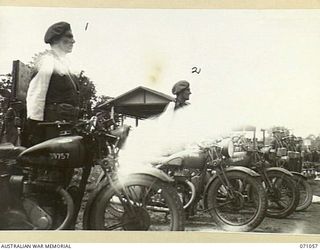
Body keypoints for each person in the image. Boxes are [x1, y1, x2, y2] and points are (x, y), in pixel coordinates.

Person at [25, 21, 80, 146]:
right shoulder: (47, 61)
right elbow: (36, 93)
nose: (73, 41)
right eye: (69, 37)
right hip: (52, 125)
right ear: (56, 40)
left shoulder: (65, 64)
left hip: (65, 123)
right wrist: (35, 126)